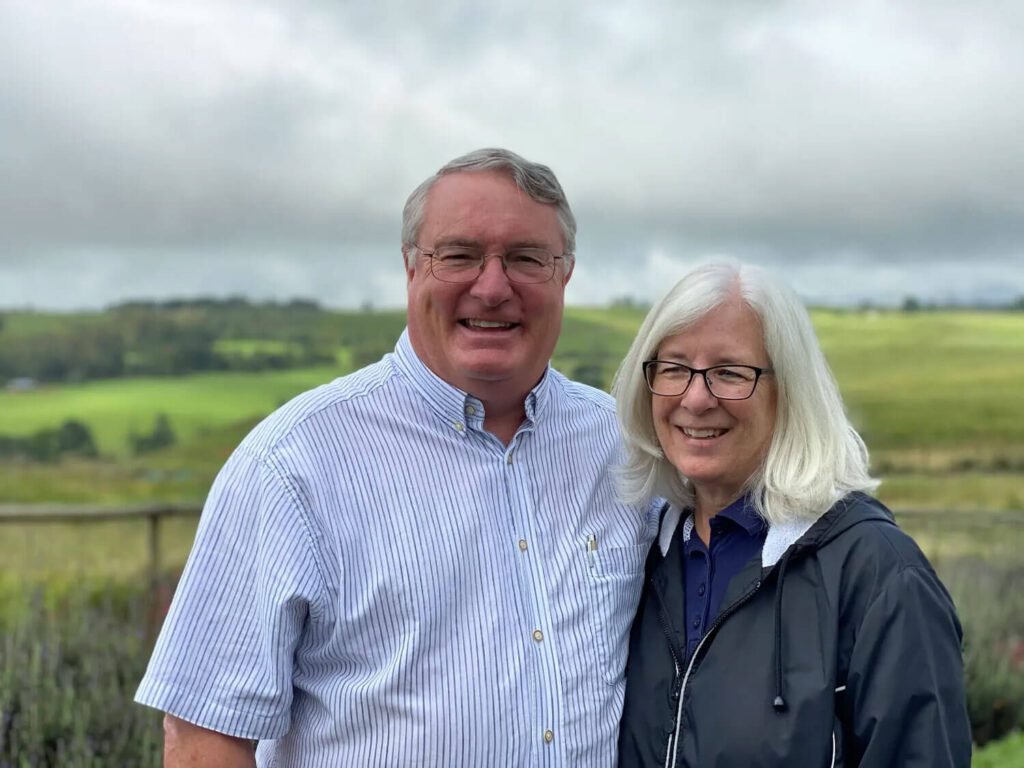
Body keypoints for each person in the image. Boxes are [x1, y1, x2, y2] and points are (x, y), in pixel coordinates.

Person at [136, 148, 657, 766]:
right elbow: (205, 738)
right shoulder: (292, 466)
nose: (493, 287)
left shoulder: (622, 446)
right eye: (459, 255)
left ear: (564, 274)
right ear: (411, 266)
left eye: (526, 258)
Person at [613, 261, 971, 767]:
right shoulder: (641, 552)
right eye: (674, 368)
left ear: (790, 391)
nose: (695, 398)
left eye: (729, 372)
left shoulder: (879, 574)